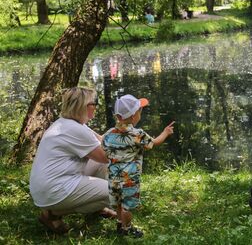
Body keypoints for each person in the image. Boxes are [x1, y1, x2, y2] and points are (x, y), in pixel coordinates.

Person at [29, 87, 116, 234]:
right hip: (54, 188)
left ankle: (97, 207)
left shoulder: (67, 123)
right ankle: (52, 214)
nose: (95, 107)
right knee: (117, 190)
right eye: (93, 104)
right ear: (82, 106)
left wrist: (119, 134)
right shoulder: (74, 129)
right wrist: (130, 143)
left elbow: (101, 141)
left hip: (48, 185)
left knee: (102, 165)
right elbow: (106, 156)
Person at [102, 94, 174, 237]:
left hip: (112, 178)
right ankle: (127, 228)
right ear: (134, 116)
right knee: (127, 207)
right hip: (129, 179)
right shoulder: (137, 134)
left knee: (118, 204)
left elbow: (104, 149)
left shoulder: (109, 134)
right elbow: (154, 143)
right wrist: (165, 133)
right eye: (140, 111)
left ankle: (119, 224)